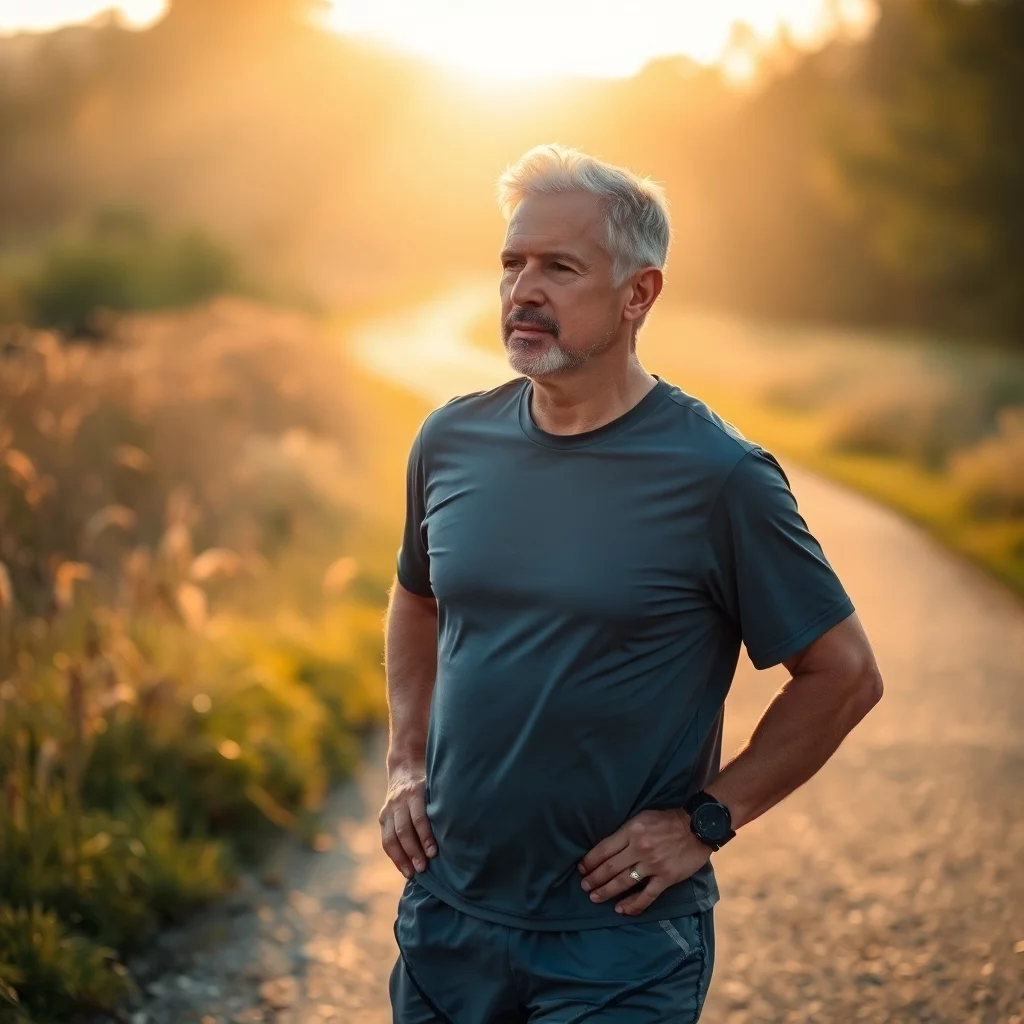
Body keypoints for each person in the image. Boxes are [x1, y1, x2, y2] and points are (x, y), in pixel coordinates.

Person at [380, 144, 883, 1023]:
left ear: (638, 294)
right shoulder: (450, 440)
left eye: (559, 267)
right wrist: (404, 760)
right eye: (512, 263)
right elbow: (417, 597)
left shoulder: (719, 476)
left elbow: (844, 673)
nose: (522, 290)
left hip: (618, 940)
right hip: (447, 916)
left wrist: (706, 820)